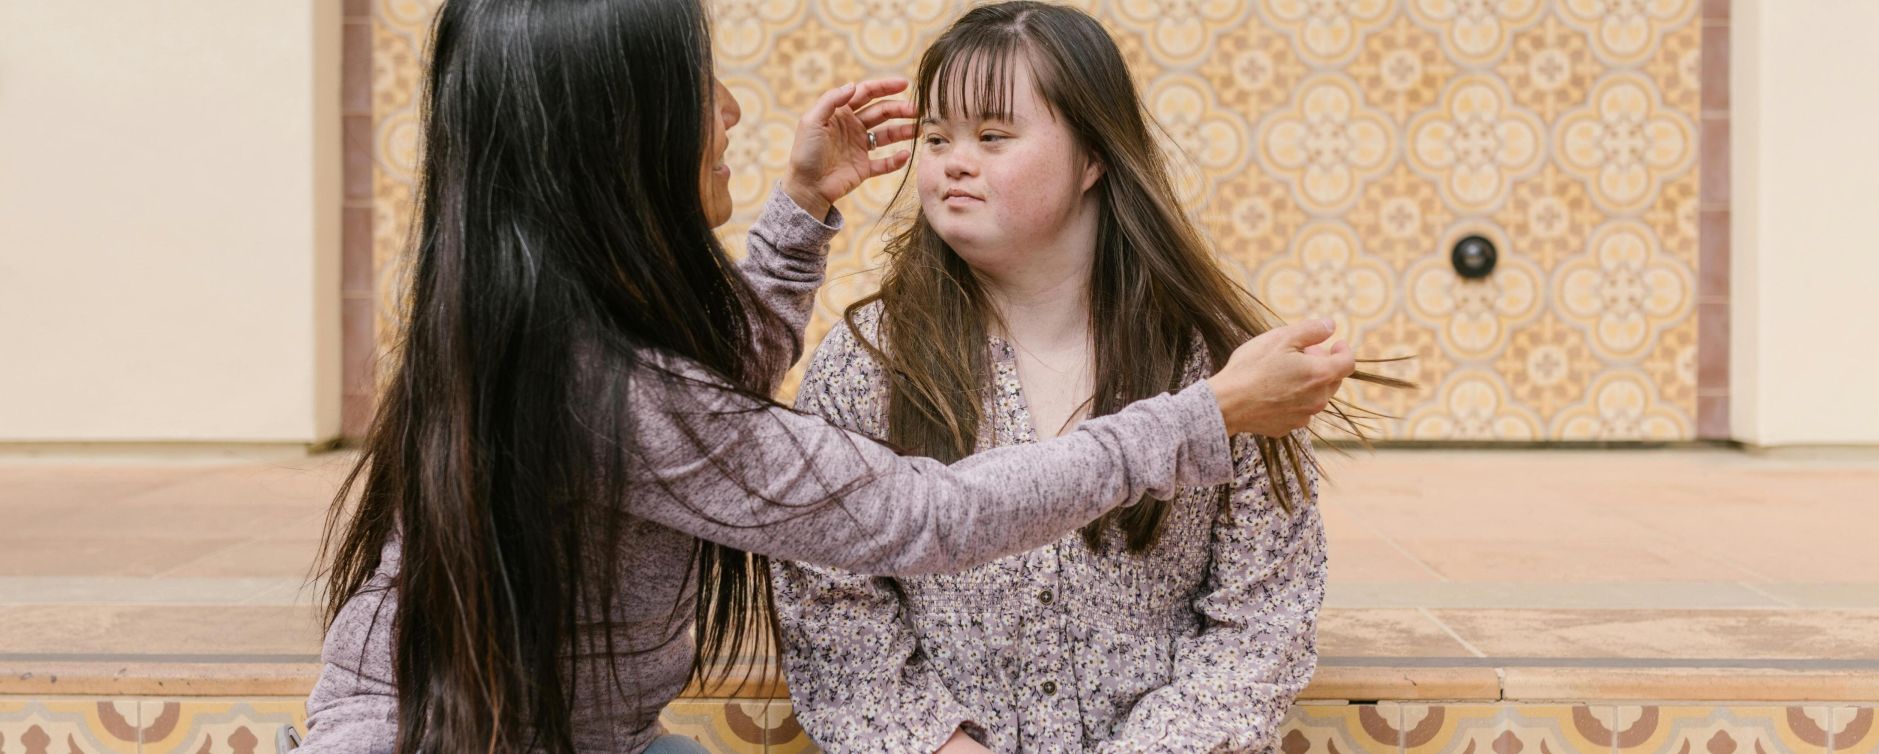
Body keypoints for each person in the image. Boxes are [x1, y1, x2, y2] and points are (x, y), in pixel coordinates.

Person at [297, 1, 1357, 752]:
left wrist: (802, 208)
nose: (734, 112)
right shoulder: (763, 374)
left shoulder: (547, 325)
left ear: (1097, 158)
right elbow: (913, 519)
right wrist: (1203, 417)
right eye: (698, 88)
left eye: (998, 134)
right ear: (619, 142)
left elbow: (711, 409)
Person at [771, 3, 1401, 752]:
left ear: (1094, 157)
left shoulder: (1218, 367)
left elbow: (1260, 623)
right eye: (937, 137)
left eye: (994, 135)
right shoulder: (867, 360)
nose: (953, 161)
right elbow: (830, 602)